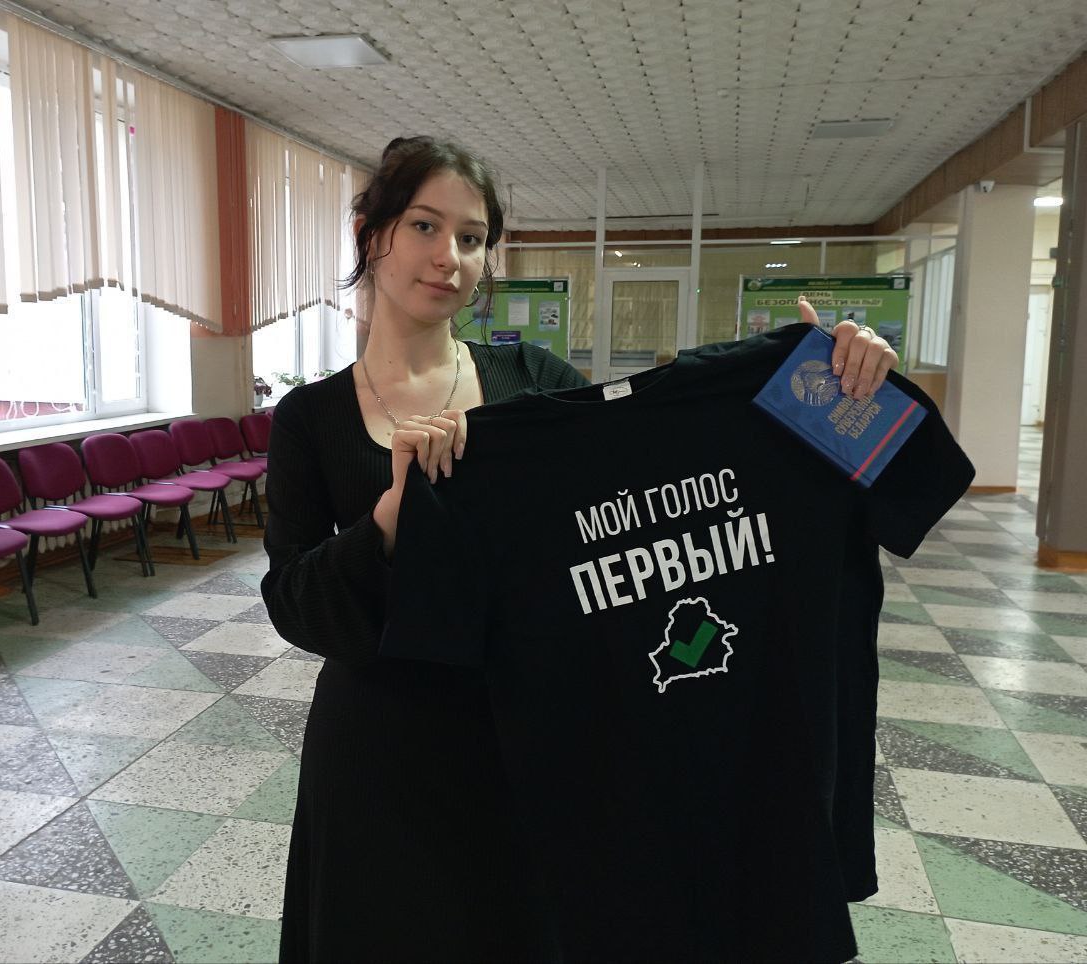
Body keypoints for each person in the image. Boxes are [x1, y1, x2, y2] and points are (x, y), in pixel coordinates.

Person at [260, 134, 899, 962]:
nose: (449, 256)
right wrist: (390, 513)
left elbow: (655, 475)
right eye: (424, 225)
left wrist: (806, 387)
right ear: (369, 233)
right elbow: (295, 604)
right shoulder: (310, 419)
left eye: (471, 237)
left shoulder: (534, 382)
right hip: (381, 755)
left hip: (534, 741)